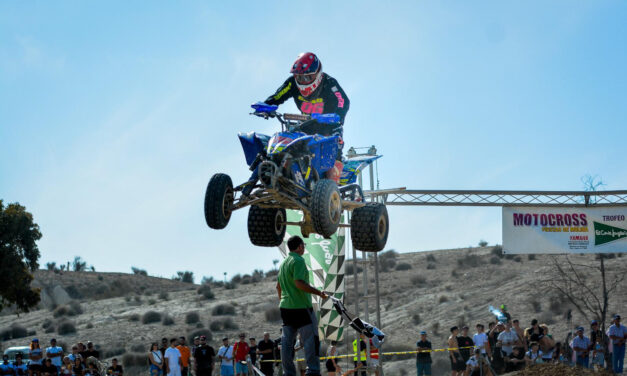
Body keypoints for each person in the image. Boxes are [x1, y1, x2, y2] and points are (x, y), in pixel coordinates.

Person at [262, 52, 350, 183]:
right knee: (282, 144)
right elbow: (277, 96)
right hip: (306, 125)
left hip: (329, 126)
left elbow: (343, 101)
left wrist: (337, 117)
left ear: (318, 74)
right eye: (299, 77)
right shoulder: (292, 83)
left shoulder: (329, 83)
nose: (303, 81)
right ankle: (281, 178)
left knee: (333, 146)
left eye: (308, 77)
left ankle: (332, 188)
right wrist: (265, 106)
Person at [276, 235, 328, 376]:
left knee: (287, 343)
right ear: (299, 247)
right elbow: (299, 283)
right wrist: (319, 293)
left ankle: (289, 373)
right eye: (303, 245)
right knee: (311, 340)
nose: (304, 247)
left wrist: (285, 301)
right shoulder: (298, 261)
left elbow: (278, 287)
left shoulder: (283, 263)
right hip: (301, 308)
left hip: (286, 308)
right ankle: (313, 371)